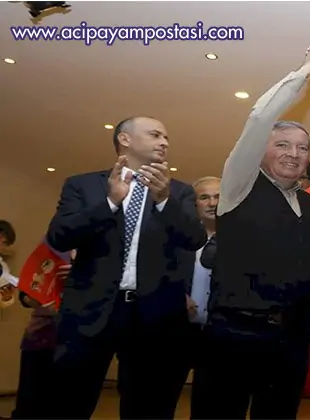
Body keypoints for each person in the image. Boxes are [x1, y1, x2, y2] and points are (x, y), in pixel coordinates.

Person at [194, 42, 310, 419]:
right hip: (234, 334)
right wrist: (303, 73)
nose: (293, 154)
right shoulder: (239, 186)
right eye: (282, 144)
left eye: (302, 148)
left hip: (291, 340)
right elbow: (259, 119)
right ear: (261, 151)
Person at [46, 116, 207, 419]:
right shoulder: (83, 185)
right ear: (125, 139)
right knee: (69, 402)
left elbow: (194, 238)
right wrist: (109, 202)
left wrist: (164, 201)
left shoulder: (179, 192)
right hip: (90, 312)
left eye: (166, 137)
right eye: (156, 134)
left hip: (155, 317)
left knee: (148, 407)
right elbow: (59, 236)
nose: (164, 142)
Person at [176, 176, 219, 418]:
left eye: (218, 196)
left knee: (209, 407)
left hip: (218, 335)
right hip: (178, 331)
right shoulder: (179, 239)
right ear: (194, 204)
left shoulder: (240, 240)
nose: (212, 203)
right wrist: (176, 296)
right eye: (204, 197)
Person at [12, 254, 72, 420]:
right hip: (39, 335)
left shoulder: (95, 255)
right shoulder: (49, 252)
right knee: (29, 399)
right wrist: (35, 299)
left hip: (72, 337)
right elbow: (25, 294)